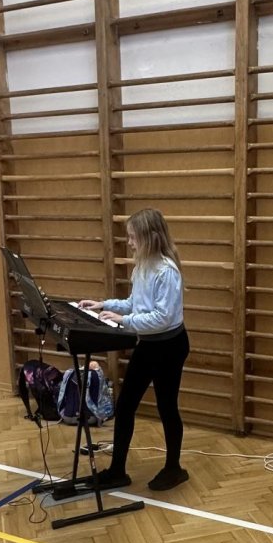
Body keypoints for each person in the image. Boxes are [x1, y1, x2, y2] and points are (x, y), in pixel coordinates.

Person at [78, 208, 189, 493]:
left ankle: (174, 468)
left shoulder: (166, 271)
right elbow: (134, 303)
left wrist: (124, 321)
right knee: (126, 405)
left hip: (169, 346)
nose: (129, 243)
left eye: (132, 237)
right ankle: (117, 470)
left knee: (167, 407)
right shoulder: (142, 266)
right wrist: (104, 305)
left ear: (150, 237)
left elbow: (161, 317)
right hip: (150, 344)